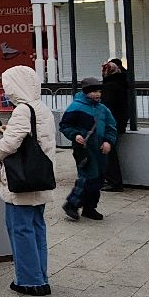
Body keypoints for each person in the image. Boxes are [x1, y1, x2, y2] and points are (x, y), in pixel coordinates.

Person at [0, 66, 58, 295]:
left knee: (20, 229)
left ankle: (28, 280)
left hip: (22, 180)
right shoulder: (42, 109)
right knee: (37, 228)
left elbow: (11, 145)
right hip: (40, 176)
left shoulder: (22, 110)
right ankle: (41, 275)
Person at [58, 75, 119, 225]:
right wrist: (75, 135)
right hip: (83, 149)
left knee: (98, 178)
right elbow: (65, 126)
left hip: (100, 150)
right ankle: (72, 204)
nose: (98, 94)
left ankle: (89, 207)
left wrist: (108, 141)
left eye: (99, 91)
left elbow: (111, 127)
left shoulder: (103, 109)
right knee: (87, 177)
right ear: (86, 92)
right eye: (94, 91)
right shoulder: (76, 107)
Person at [100, 59, 132, 191]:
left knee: (108, 152)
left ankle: (114, 181)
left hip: (111, 123)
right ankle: (112, 179)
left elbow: (107, 107)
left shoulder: (110, 87)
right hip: (119, 121)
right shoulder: (121, 83)